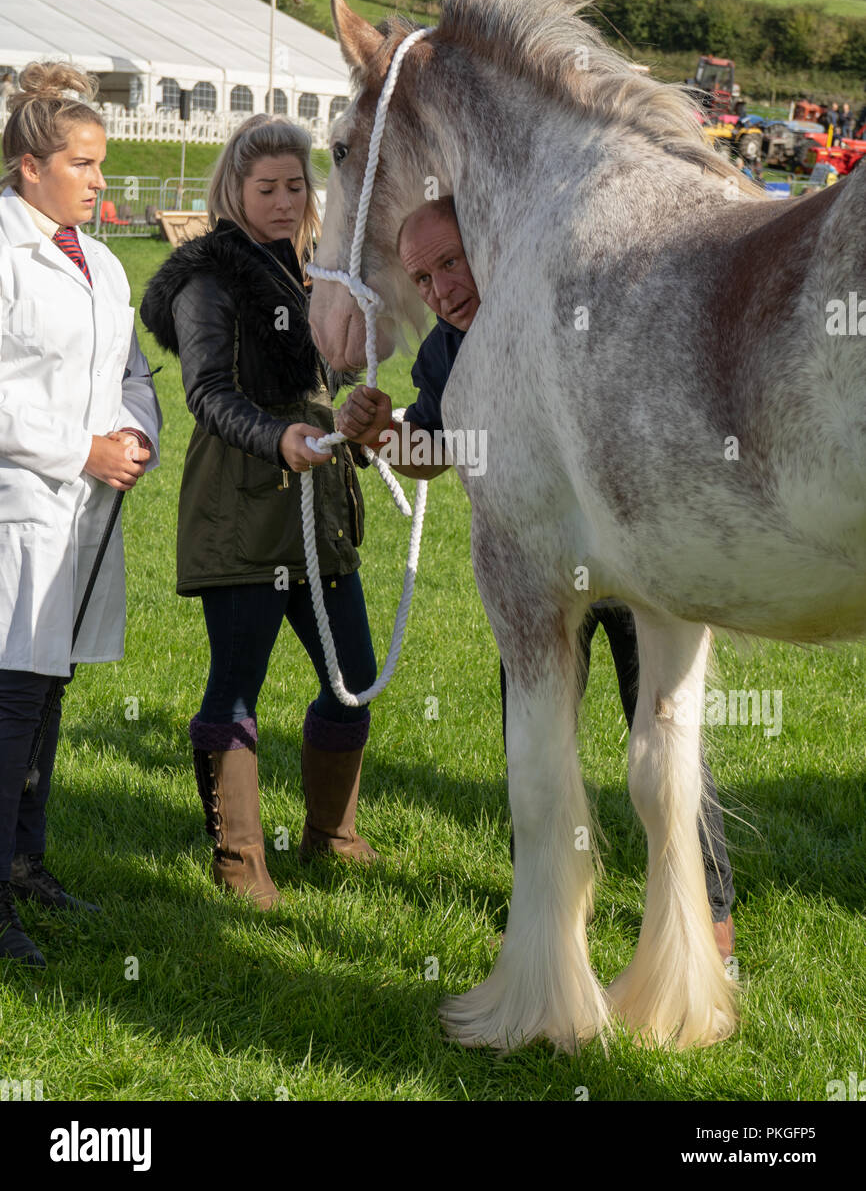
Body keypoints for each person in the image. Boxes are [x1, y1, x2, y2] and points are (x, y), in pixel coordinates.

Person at [337, 196, 736, 958]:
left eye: (450, 262)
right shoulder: (444, 354)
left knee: (664, 733)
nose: (442, 289)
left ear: (487, 242)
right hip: (535, 577)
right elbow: (434, 451)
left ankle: (712, 922)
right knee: (535, 744)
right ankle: (545, 918)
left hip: (633, 570)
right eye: (422, 278)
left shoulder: (571, 311)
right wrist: (383, 432)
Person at [140, 115, 378, 912]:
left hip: (321, 508)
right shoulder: (211, 280)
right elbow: (208, 395)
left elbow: (320, 384)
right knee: (236, 687)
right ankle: (239, 859)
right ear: (234, 190)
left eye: (294, 186)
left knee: (355, 679)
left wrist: (354, 416)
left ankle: (330, 835)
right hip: (243, 505)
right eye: (266, 187)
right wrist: (279, 439)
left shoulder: (310, 272)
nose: (284, 201)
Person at [0, 62, 161, 967]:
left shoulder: (99, 260)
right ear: (30, 165)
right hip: (17, 508)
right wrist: (78, 451)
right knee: (10, 700)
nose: (102, 180)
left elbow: (128, 375)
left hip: (86, 513)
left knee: (47, 694)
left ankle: (26, 864)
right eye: (86, 163)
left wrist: (134, 435)